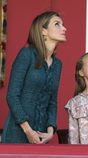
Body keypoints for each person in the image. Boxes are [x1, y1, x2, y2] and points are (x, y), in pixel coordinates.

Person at [2, 11, 67, 144]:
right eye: (57, 24)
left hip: (42, 135)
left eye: (63, 24)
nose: (64, 28)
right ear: (43, 31)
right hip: (18, 132)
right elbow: (12, 95)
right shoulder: (26, 55)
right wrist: (28, 130)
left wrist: (50, 131)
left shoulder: (57, 64)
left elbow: (52, 101)